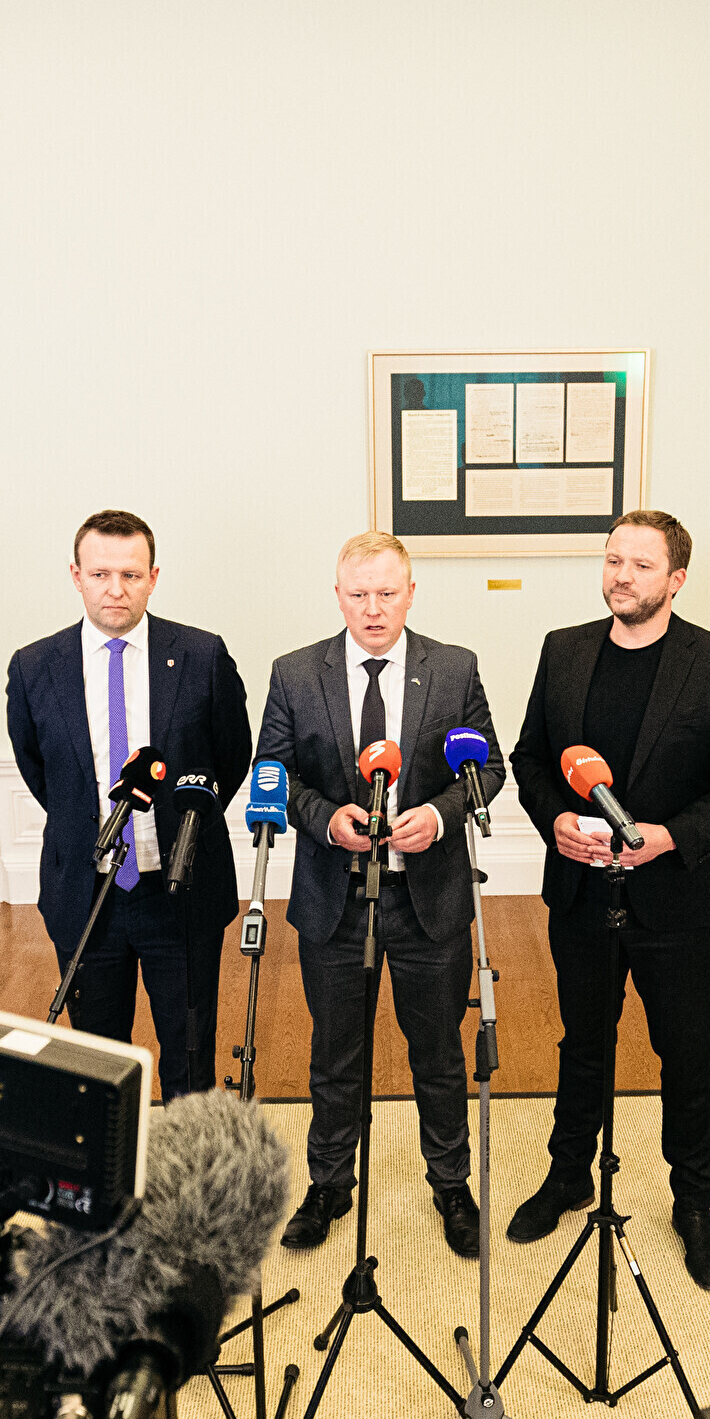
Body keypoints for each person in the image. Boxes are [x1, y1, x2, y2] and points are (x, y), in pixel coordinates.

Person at [506, 510, 710, 1290]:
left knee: (684, 1054)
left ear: (676, 579)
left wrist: (668, 838)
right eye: (613, 559)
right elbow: (529, 758)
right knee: (583, 1044)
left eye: (641, 565)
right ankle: (568, 1176)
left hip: (674, 902)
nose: (622, 575)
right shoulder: (564, 650)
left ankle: (693, 1204)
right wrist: (554, 820)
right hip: (580, 893)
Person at [255, 531, 506, 1258]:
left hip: (428, 899)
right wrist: (324, 820)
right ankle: (330, 1184)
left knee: (439, 1053)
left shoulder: (453, 668)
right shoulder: (295, 673)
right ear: (338, 596)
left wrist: (440, 816)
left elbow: (488, 768)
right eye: (358, 594)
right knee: (336, 1054)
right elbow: (274, 771)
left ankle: (451, 1185)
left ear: (410, 594)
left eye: (387, 593)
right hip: (334, 899)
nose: (373, 608)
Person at [6, 510, 250, 1096]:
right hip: (86, 894)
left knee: (189, 1057)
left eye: (131, 575)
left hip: (180, 890)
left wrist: (182, 827)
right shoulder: (35, 667)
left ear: (153, 577)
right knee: (98, 1063)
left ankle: (187, 1157)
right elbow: (40, 770)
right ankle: (115, 1157)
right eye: (101, 574)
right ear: (76, 576)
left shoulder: (202, 655)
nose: (115, 589)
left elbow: (231, 756)